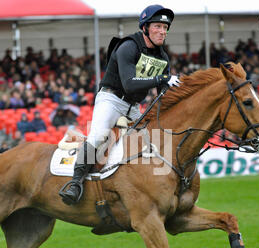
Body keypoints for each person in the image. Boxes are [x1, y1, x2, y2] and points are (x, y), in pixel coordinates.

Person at [59, 4, 180, 205]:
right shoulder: (128, 46)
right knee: (98, 137)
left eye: (165, 28)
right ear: (145, 28)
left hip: (133, 106)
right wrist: (162, 79)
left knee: (154, 140)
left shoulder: (162, 57)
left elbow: (162, 97)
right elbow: (130, 84)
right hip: (111, 99)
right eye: (157, 26)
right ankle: (75, 183)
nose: (162, 31)